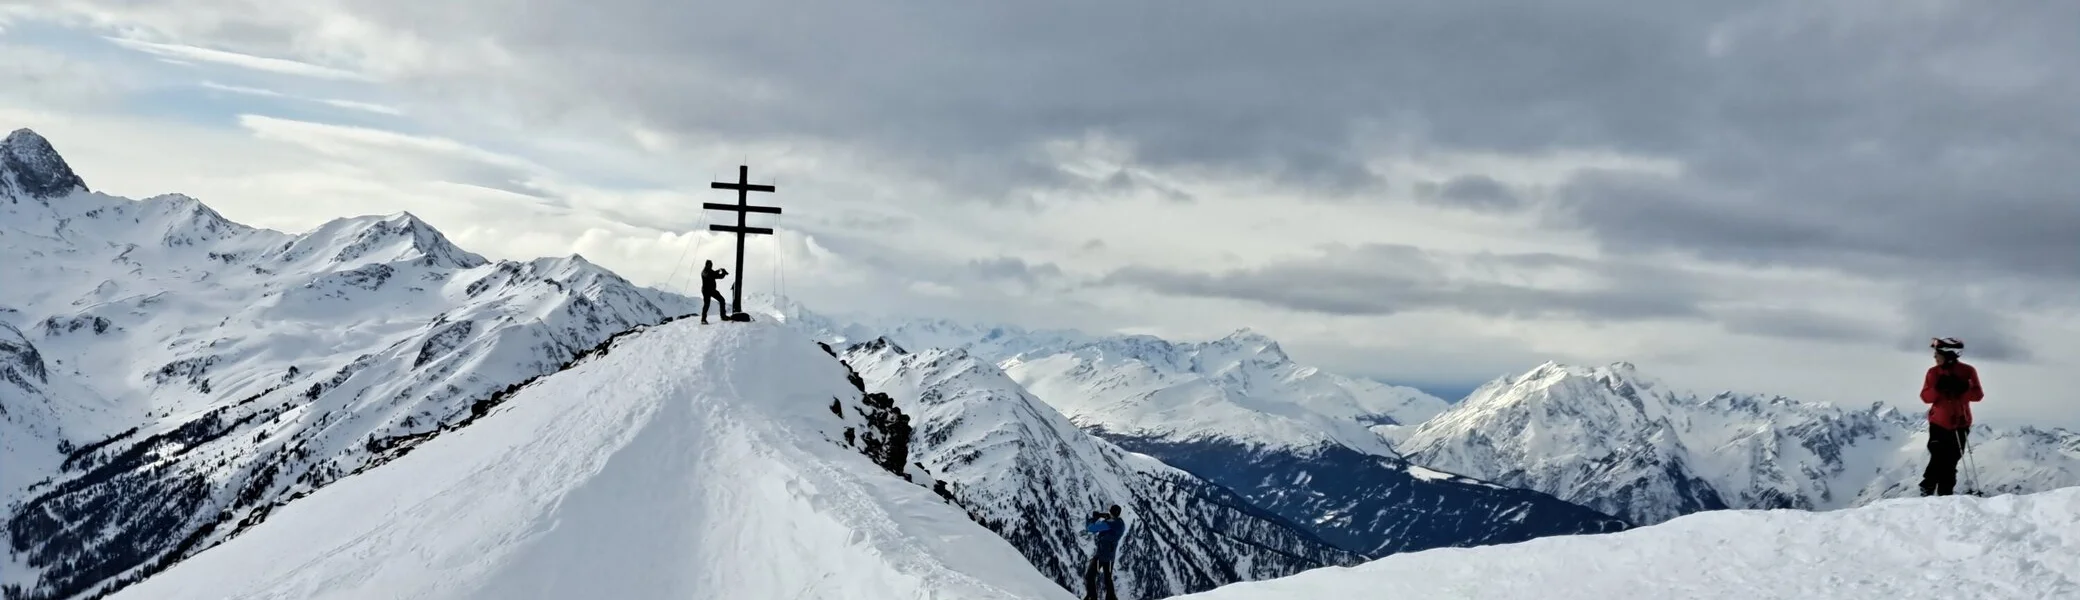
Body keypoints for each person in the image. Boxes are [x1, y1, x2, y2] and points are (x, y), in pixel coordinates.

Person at [1919, 337, 1983, 496]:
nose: (1934, 357)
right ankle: (1928, 486)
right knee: (1938, 455)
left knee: (1951, 460)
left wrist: (1963, 389)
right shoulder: (1933, 373)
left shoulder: (1968, 371)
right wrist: (1939, 389)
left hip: (1960, 423)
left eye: (1937, 354)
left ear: (1948, 355)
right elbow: (1926, 397)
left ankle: (1944, 492)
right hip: (1939, 423)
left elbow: (1978, 395)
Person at [1081, 505, 1126, 600]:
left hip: (1101, 556)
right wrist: (1104, 516)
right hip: (1110, 557)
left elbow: (1091, 528)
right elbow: (1113, 520)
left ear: (1111, 512)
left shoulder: (1108, 525)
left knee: (1090, 576)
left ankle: (1092, 597)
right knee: (1108, 579)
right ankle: (1111, 598)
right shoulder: (1121, 524)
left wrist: (1094, 518)